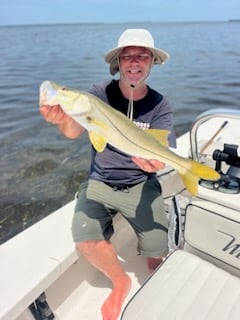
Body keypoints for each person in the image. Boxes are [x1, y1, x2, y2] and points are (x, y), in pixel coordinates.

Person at [40, 28, 176, 320]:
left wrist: (156, 163)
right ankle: (120, 281)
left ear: (152, 62)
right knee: (85, 241)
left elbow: (164, 155)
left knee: (156, 252)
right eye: (128, 55)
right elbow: (76, 130)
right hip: (100, 181)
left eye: (142, 55)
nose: (134, 61)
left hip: (141, 183)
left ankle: (154, 258)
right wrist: (62, 119)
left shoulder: (160, 105)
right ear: (118, 62)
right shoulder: (99, 94)